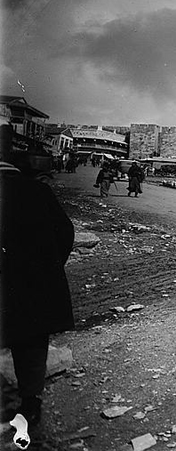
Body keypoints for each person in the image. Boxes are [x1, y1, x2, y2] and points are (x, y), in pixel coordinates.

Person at [0, 126, 75, 429]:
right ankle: (30, 404)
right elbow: (65, 232)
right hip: (31, 286)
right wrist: (49, 267)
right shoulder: (38, 190)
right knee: (30, 346)